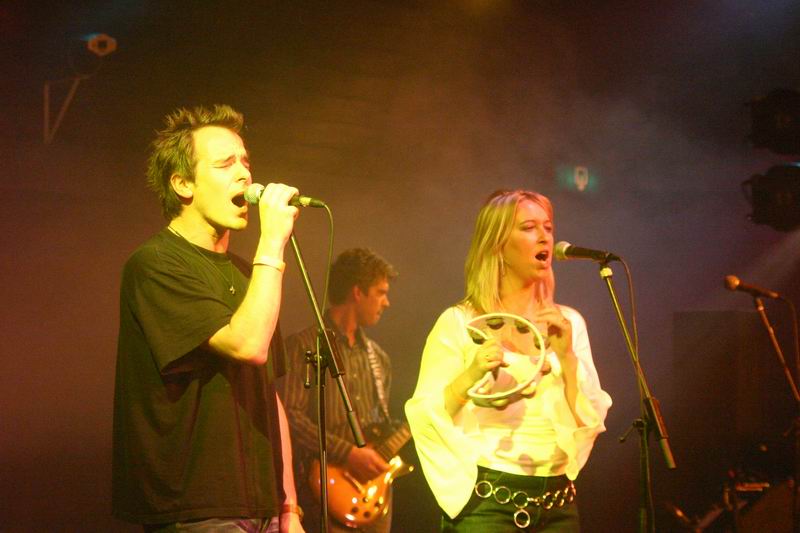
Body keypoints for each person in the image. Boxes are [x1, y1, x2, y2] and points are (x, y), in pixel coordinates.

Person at [112, 104, 305, 533]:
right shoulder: (155, 264)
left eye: (246, 162)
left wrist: (290, 506)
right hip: (197, 510)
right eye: (225, 164)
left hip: (264, 507)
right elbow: (247, 345)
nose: (245, 175)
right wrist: (272, 243)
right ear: (183, 183)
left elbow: (269, 396)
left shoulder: (249, 272)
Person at [405, 189, 612, 531]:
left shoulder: (569, 323)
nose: (544, 236)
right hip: (487, 505)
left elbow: (587, 424)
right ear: (498, 245)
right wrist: (471, 375)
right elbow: (425, 415)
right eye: (529, 227)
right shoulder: (460, 322)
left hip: (558, 505)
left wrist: (567, 358)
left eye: (548, 227)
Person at [279, 248, 398, 533]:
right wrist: (348, 453)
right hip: (319, 494)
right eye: (381, 293)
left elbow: (380, 424)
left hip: (372, 498)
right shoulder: (304, 345)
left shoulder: (379, 359)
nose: (387, 302)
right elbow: (289, 417)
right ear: (357, 292)